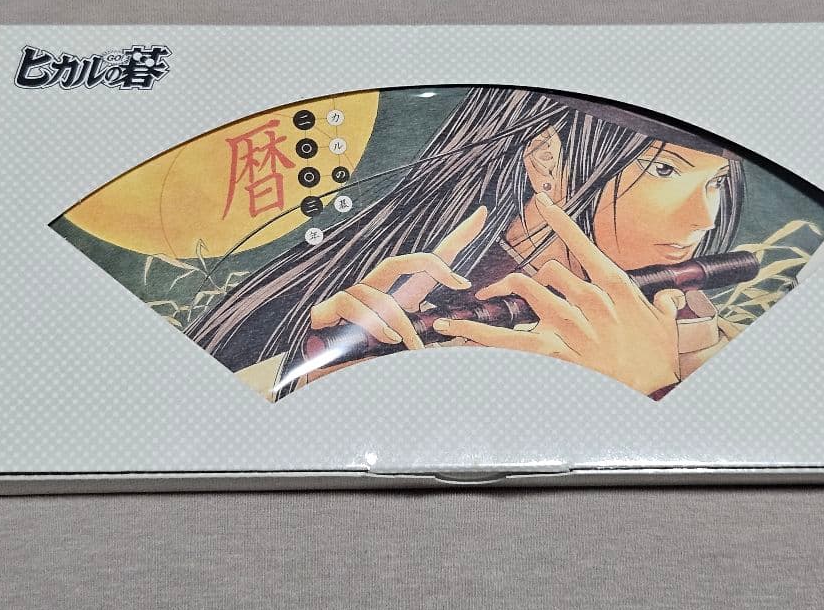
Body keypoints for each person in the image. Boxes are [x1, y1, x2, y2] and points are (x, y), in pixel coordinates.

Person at [186, 86, 747, 401]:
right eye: (665, 170)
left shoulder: (691, 325)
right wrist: (319, 379)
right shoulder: (389, 300)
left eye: (715, 184)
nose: (704, 218)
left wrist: (650, 386)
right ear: (546, 160)